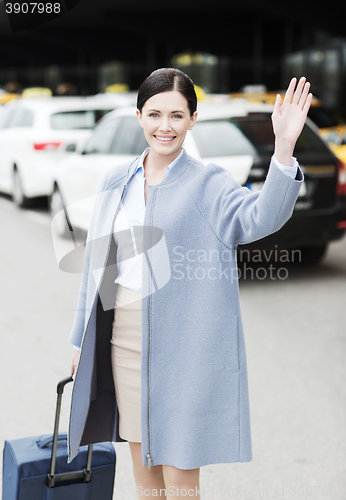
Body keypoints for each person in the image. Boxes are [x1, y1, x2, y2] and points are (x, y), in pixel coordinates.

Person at [68, 68, 312, 499]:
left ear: (193, 120)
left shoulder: (209, 184)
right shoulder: (116, 181)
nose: (165, 126)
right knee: (144, 476)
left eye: (177, 116)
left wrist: (285, 148)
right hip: (122, 340)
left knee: (180, 482)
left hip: (186, 349)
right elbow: (98, 269)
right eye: (155, 114)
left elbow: (262, 217)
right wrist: (77, 340)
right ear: (139, 115)